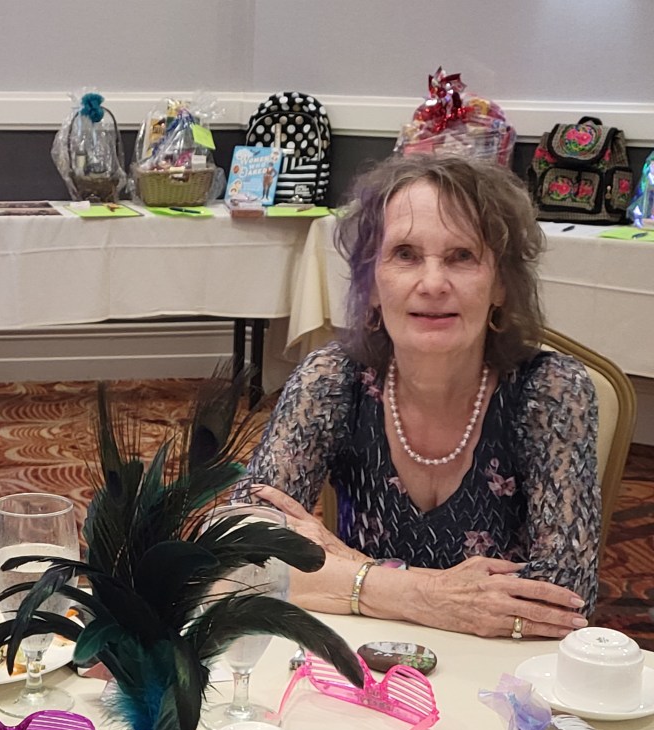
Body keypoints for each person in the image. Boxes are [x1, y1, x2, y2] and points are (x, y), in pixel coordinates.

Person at [244, 154, 600, 639]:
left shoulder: (551, 390)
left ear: (500, 284)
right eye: (406, 254)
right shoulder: (332, 378)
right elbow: (238, 550)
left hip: (499, 663)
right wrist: (423, 594)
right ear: (371, 282)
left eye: (462, 256)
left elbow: (566, 595)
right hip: (362, 654)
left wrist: (348, 568)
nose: (432, 284)